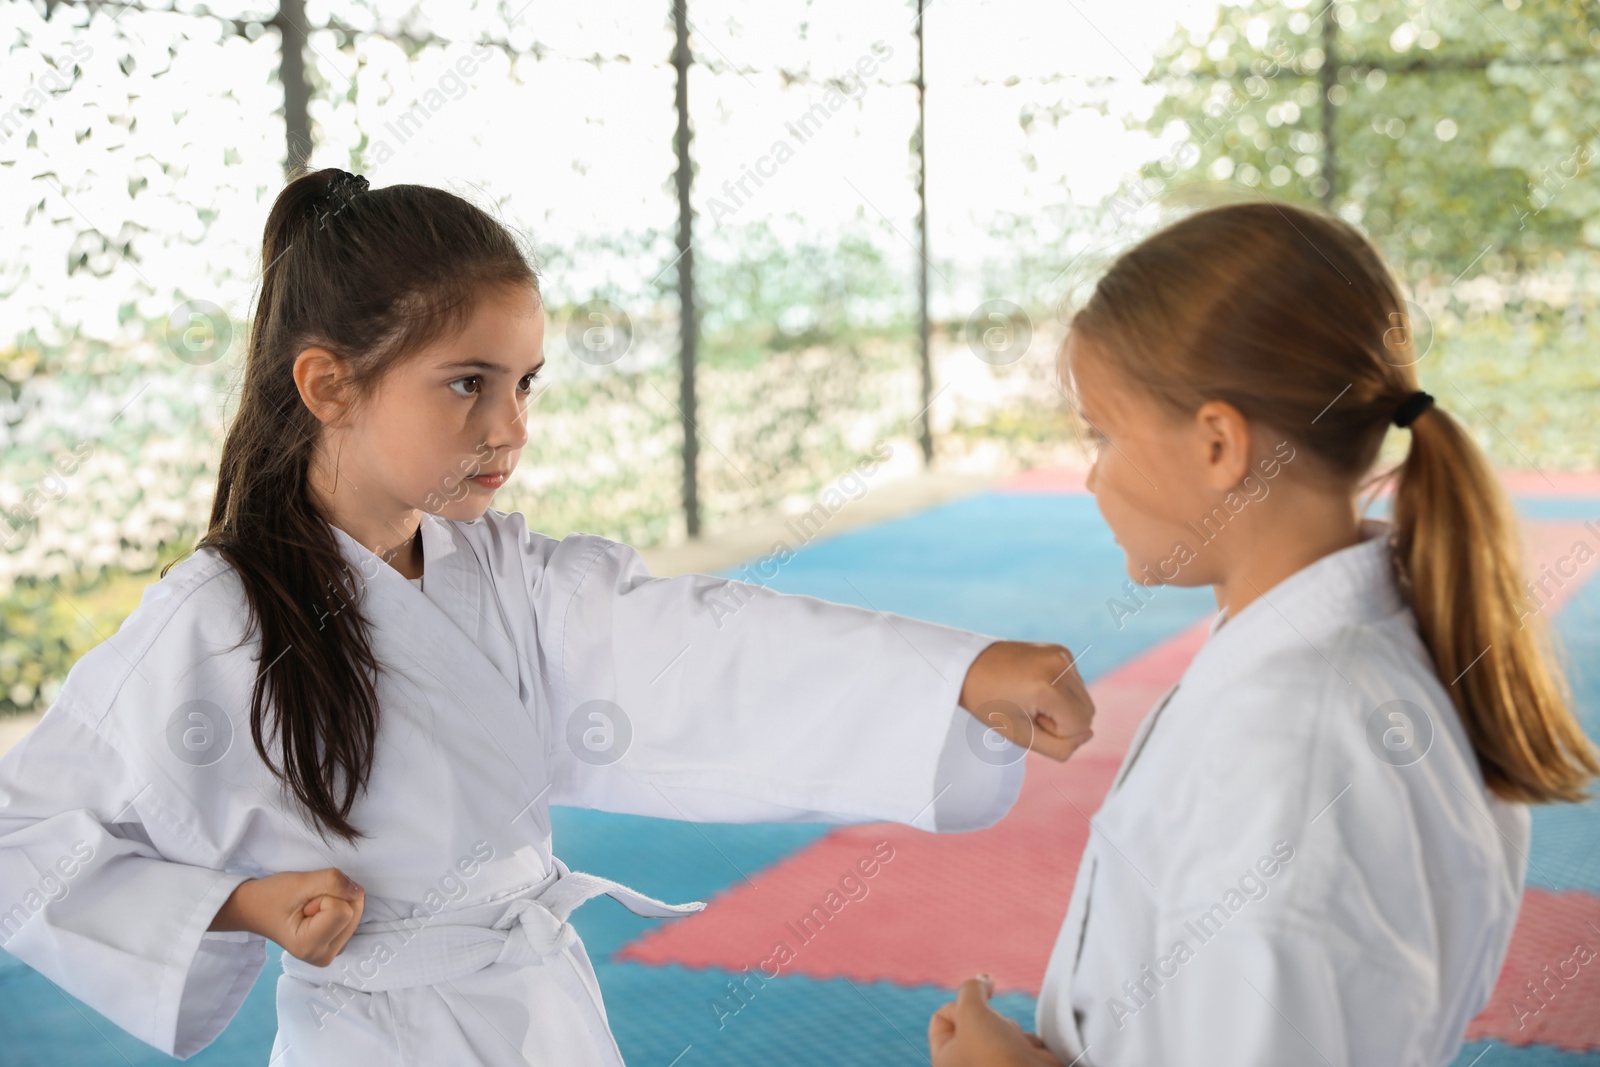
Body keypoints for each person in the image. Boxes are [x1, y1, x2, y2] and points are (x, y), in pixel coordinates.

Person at [0, 168, 1097, 1066]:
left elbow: (696, 643)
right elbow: (24, 836)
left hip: (539, 1009)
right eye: (467, 383)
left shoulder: (503, 571)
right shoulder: (215, 618)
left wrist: (952, 674)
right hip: (378, 1036)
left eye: (527, 382)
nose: (509, 425)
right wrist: (241, 901)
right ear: (329, 386)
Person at [926, 199, 1599, 1067]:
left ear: (1218, 443)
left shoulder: (1298, 748)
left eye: (1104, 433)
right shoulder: (1331, 662)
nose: (1092, 476)